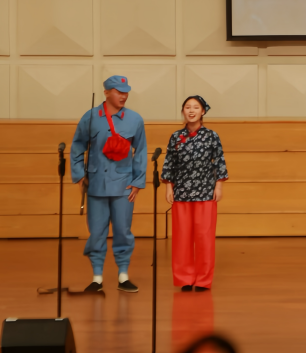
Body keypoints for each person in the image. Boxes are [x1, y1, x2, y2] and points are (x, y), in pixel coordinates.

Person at [71, 75, 148, 293]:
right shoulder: (90, 117)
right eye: (118, 91)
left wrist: (137, 181)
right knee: (96, 232)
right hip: (96, 185)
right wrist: (79, 176)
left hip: (124, 185)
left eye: (126, 92)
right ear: (106, 92)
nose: (123, 96)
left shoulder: (135, 119)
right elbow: (77, 147)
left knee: (123, 230)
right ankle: (97, 278)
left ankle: (123, 275)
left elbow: (141, 151)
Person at [161, 95, 229, 292]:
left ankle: (203, 280)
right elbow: (169, 163)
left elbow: (219, 161)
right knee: (181, 238)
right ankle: (185, 278)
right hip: (181, 192)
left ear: (203, 111)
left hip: (205, 191)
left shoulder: (212, 136)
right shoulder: (176, 137)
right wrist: (169, 187)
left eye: (196, 107)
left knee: (204, 237)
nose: (191, 111)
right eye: (188, 107)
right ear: (183, 111)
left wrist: (218, 186)